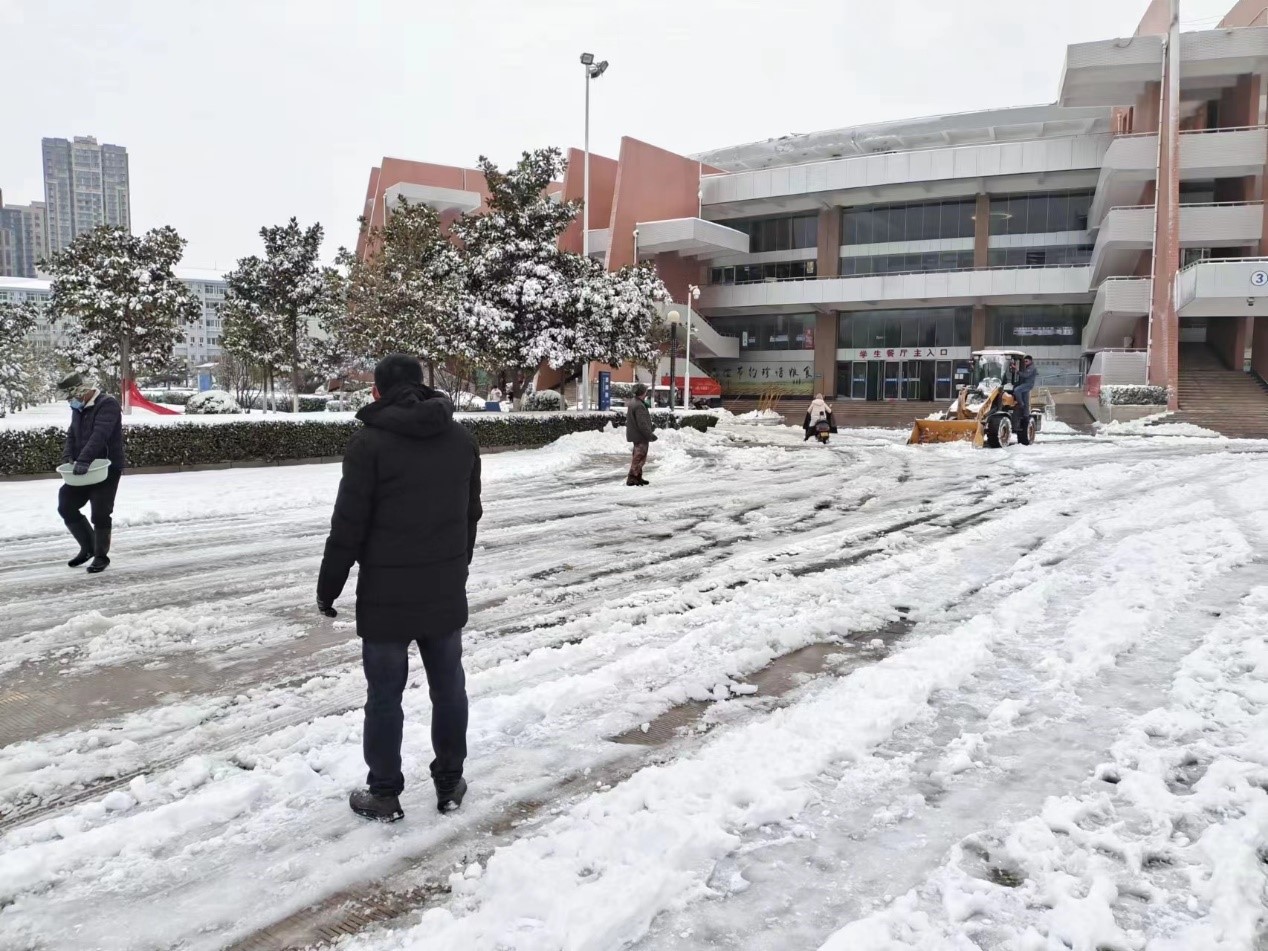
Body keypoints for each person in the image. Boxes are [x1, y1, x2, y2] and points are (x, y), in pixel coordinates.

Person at [316, 354, 483, 822]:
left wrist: (328, 588)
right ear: (422, 385)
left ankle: (385, 792)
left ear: (377, 391)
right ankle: (449, 781)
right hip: (444, 588)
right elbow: (470, 514)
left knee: (385, 697)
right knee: (449, 688)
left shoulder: (368, 444)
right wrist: (459, 567)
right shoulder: (462, 440)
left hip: (385, 596)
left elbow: (347, 526)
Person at [56, 373, 124, 573]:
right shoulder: (78, 408)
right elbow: (72, 433)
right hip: (82, 467)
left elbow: (99, 435)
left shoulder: (107, 404)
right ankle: (88, 548)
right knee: (66, 504)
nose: (70, 401)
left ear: (83, 391)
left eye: (71, 397)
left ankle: (101, 556)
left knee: (101, 511)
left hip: (106, 468)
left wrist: (84, 459)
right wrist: (68, 455)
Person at [625, 383, 656, 487]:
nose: (646, 393)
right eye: (645, 391)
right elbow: (642, 424)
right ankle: (632, 478)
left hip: (637, 435)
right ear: (642, 392)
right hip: (640, 436)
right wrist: (649, 435)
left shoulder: (635, 402)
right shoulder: (639, 405)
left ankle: (638, 476)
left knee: (639, 456)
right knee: (639, 457)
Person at [1014, 355, 1037, 421]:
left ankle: (1021, 404)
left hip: (1028, 384)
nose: (1025, 363)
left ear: (1031, 361)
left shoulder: (1031, 367)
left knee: (1017, 390)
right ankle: (1026, 415)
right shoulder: (1027, 367)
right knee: (1026, 399)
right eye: (1024, 361)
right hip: (1024, 384)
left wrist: (1017, 371)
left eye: (1026, 361)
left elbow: (1025, 375)